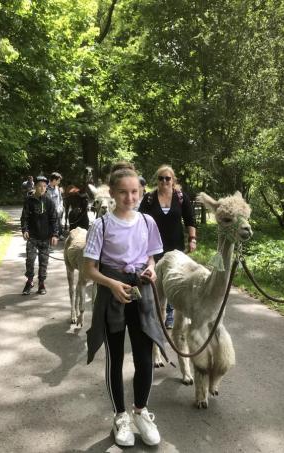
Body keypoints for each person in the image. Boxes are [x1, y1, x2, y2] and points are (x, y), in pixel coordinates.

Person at [82, 166, 167, 447]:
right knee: (115, 358)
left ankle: (141, 411)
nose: (129, 197)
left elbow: (152, 258)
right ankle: (120, 416)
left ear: (141, 192)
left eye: (135, 192)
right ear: (113, 193)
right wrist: (111, 284)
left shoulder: (147, 222)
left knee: (144, 357)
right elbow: (89, 270)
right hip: (112, 295)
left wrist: (151, 270)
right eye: (123, 192)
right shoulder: (101, 225)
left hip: (140, 294)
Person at [137, 165, 197, 329]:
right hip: (153, 247)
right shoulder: (149, 198)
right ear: (157, 180)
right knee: (153, 278)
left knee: (172, 278)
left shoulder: (180, 197)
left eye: (167, 178)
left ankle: (170, 313)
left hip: (175, 246)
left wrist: (192, 239)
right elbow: (139, 221)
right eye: (161, 178)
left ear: (173, 180)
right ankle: (153, 312)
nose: (164, 181)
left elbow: (190, 220)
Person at [20, 176, 59, 295]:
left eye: (44, 186)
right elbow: (24, 218)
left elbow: (54, 219)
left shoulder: (49, 201)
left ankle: (41, 283)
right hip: (32, 237)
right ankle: (30, 281)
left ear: (46, 187)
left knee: (44, 262)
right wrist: (25, 230)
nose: (42, 188)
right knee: (30, 260)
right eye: (39, 186)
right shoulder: (29, 201)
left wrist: (55, 235)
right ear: (35, 186)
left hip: (45, 237)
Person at [47, 172, 65, 238]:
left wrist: (60, 207)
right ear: (54, 180)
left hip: (58, 210)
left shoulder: (58, 188)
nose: (59, 182)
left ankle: (60, 234)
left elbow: (61, 199)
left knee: (59, 222)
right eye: (58, 180)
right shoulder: (45, 189)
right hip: (49, 212)